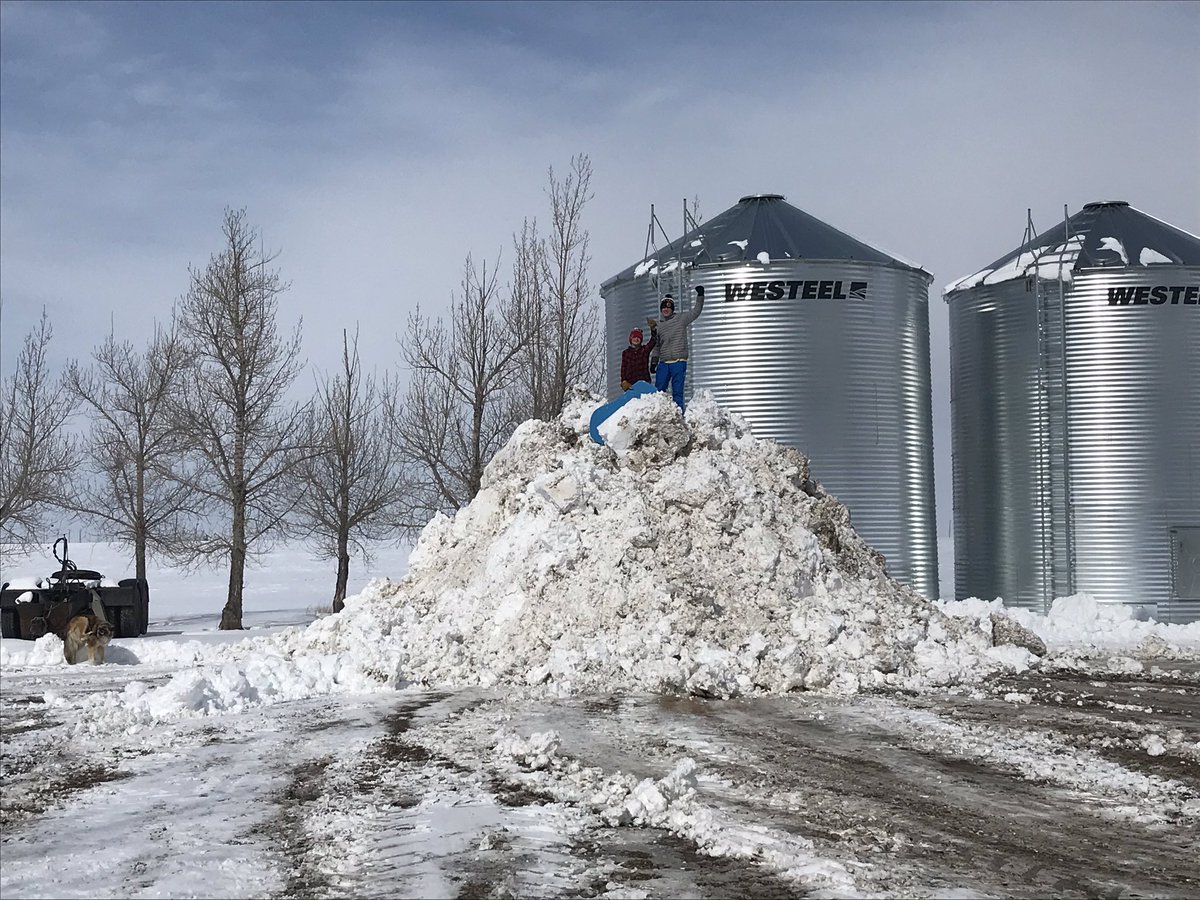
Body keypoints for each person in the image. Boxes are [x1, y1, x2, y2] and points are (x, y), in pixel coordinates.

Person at [654, 286, 704, 411]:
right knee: (658, 391)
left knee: (677, 392)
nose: (666, 309)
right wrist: (654, 360)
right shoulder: (659, 326)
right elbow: (657, 345)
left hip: (678, 361)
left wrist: (700, 296)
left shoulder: (681, 319)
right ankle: (659, 415)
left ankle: (679, 416)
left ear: (672, 309)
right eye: (663, 307)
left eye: (668, 307)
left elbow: (696, 312)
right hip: (664, 363)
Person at [619, 322, 657, 391]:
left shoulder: (644, 350)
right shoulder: (626, 353)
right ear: (631, 339)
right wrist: (624, 381)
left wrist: (653, 330)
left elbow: (653, 341)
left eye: (638, 337)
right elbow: (623, 368)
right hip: (630, 383)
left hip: (644, 381)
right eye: (634, 337)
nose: (636, 339)